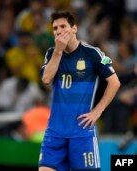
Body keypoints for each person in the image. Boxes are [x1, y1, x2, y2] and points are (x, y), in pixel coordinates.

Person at [39, 11, 121, 171]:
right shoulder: (52, 53)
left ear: (74, 28)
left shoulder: (92, 53)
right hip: (54, 133)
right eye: (55, 28)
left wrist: (98, 111)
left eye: (63, 26)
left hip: (81, 133)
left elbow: (115, 82)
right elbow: (46, 79)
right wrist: (58, 51)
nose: (59, 31)